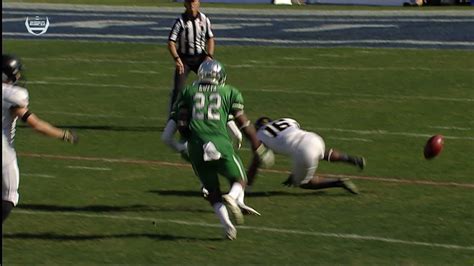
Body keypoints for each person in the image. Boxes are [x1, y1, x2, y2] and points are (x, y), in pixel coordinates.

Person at [174, 60, 273, 240]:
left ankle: (227, 225)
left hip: (196, 146)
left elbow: (181, 123)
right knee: (240, 178)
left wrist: (191, 139)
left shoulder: (189, 91)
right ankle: (233, 196)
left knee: (212, 191)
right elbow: (244, 123)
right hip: (219, 141)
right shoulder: (230, 92)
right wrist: (257, 145)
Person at [2, 54, 78, 223]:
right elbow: (36, 125)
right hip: (3, 152)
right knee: (9, 196)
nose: (19, 77)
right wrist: (64, 135)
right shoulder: (12, 96)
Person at [247, 117, 365, 194]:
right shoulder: (286, 120)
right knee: (321, 153)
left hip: (303, 152)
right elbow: (290, 139)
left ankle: (339, 182)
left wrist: (247, 187)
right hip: (314, 138)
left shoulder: (259, 136)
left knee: (303, 183)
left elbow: (255, 164)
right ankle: (352, 159)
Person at [167, 0, 215, 115]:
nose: (192, 5)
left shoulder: (204, 19)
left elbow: (210, 38)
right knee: (178, 90)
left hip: (201, 59)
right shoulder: (180, 21)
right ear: (185, 4)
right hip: (184, 60)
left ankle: (213, 113)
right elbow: (171, 42)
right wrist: (177, 59)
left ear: (199, 3)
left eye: (194, 2)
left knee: (213, 86)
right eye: (189, 2)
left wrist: (209, 56)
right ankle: (172, 117)